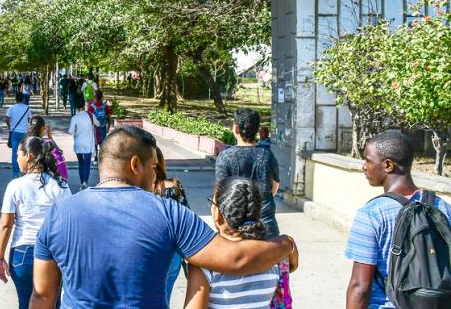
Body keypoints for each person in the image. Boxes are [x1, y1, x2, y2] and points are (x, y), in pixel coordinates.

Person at [29, 126, 298, 309]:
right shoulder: (168, 213)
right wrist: (285, 244)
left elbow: (42, 296)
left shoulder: (58, 215)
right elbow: (236, 258)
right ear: (136, 165)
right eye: (153, 167)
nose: (156, 176)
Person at [344, 130, 451, 309]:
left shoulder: (372, 214)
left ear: (387, 165)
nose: (364, 166)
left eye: (368, 160)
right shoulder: (442, 207)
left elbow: (360, 287)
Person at [184, 177, 288, 309]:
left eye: (212, 202)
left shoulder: (203, 263)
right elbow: (282, 300)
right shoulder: (276, 256)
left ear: (219, 215)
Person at [0, 136, 72, 309]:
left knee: (26, 303)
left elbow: (6, 224)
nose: (17, 159)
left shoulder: (15, 186)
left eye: (18, 154)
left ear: (29, 156)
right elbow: (69, 220)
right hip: (54, 252)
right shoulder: (60, 185)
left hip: (23, 252)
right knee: (54, 302)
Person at [215, 108, 281, 237]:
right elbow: (274, 188)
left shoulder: (225, 157)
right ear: (257, 130)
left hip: (235, 229)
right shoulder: (267, 155)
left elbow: (220, 194)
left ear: (236, 129)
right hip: (266, 227)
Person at [151, 146, 191, 302]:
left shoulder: (138, 190)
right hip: (172, 253)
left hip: (146, 252)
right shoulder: (173, 187)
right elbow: (186, 219)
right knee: (165, 298)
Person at [25, 116, 68, 181]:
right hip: (48, 178)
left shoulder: (27, 143)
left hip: (31, 177)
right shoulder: (48, 143)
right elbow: (58, 153)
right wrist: (50, 136)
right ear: (43, 128)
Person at [68, 96, 98, 189]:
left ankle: (82, 182)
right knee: (87, 164)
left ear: (76, 106)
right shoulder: (90, 115)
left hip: (78, 145)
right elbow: (98, 124)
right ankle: (85, 181)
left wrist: (76, 129)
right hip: (88, 145)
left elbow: (70, 131)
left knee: (81, 163)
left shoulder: (75, 118)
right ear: (84, 104)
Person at [5, 92, 32, 178]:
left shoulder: (11, 108)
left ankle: (15, 173)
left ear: (15, 99)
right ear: (23, 99)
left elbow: (7, 119)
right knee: (25, 152)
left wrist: (10, 126)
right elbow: (30, 120)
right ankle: (25, 170)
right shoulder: (27, 108)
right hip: (24, 133)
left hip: (14, 132)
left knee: (14, 153)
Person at [87, 90, 112, 160]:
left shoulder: (91, 107)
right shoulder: (105, 106)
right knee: (102, 143)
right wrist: (108, 127)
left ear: (94, 97)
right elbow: (109, 118)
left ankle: (95, 158)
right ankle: (102, 158)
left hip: (94, 127)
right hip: (103, 127)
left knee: (94, 141)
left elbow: (89, 119)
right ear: (102, 97)